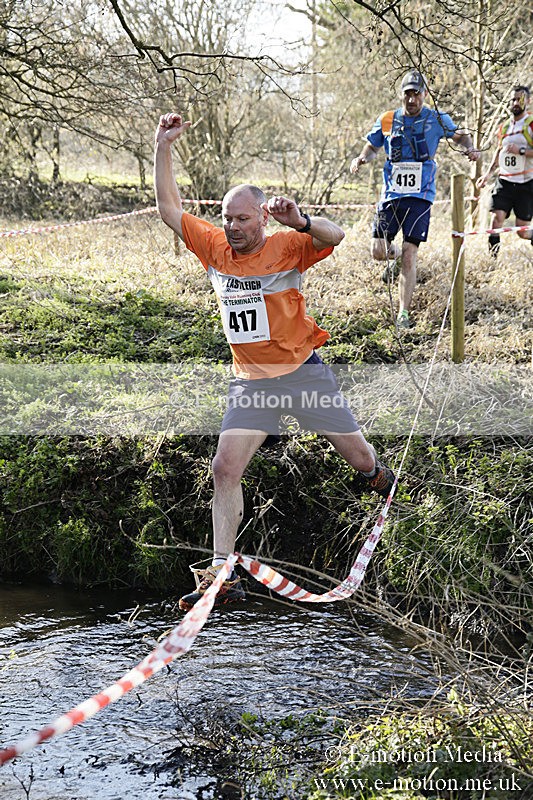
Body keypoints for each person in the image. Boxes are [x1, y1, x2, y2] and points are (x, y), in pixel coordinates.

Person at [154, 112, 396, 612]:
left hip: (303, 374)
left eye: (243, 218)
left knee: (359, 459)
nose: (233, 227)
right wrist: (163, 146)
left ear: (262, 216)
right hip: (252, 384)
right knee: (224, 467)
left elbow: (337, 236)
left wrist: (303, 221)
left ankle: (379, 478)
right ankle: (222, 576)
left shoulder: (288, 244)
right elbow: (169, 208)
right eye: (227, 218)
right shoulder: (215, 247)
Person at [350, 70, 480, 329]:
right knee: (378, 251)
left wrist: (470, 147)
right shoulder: (387, 120)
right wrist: (362, 158)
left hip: (421, 196)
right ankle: (394, 255)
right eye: (407, 94)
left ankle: (403, 315)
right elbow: (373, 146)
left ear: (424, 95)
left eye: (416, 94)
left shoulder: (436, 119)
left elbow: (461, 135)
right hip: (391, 195)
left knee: (410, 254)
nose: (412, 100)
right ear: (401, 95)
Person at [476, 85, 533, 258]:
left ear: (528, 101)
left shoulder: (531, 124)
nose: (515, 102)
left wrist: (521, 151)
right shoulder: (504, 126)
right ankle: (493, 262)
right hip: (505, 182)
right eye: (513, 99)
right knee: (496, 221)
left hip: (526, 183)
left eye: (519, 99)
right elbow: (499, 153)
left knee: (522, 231)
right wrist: (487, 175)